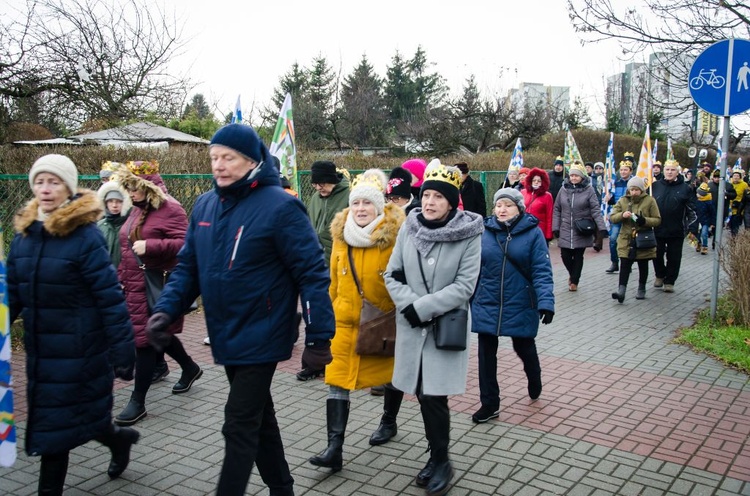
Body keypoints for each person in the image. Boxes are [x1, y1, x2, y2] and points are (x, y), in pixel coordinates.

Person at [146, 123, 334, 496]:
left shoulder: (281, 206)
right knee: (259, 419)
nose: (218, 164)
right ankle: (282, 488)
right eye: (214, 157)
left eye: (228, 157)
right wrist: (166, 310)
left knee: (238, 423)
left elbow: (312, 273)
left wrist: (318, 336)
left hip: (264, 330)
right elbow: (188, 268)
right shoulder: (205, 205)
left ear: (252, 161)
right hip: (225, 330)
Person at [7, 154, 138, 494]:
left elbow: (109, 298)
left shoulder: (85, 238)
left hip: (80, 353)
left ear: (68, 187)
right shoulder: (24, 237)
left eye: (54, 182)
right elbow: (13, 294)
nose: (45, 189)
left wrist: (124, 351)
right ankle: (119, 440)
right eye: (39, 181)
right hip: (42, 354)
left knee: (55, 434)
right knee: (82, 419)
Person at [384, 160, 483, 496]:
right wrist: (409, 305)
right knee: (422, 395)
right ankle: (435, 457)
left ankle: (442, 460)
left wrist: (421, 308)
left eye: (438, 197)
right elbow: (392, 274)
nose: (429, 202)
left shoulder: (469, 235)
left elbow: (464, 286)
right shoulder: (408, 228)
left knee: (434, 396)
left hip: (443, 326)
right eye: (426, 195)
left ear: (452, 201)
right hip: (412, 327)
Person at [309, 169, 406, 470]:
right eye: (356, 203)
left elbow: (405, 280)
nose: (361, 209)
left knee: (391, 376)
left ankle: (388, 421)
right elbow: (333, 284)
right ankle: (334, 449)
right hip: (344, 322)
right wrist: (326, 315)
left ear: (379, 206)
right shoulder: (342, 236)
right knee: (336, 381)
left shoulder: (395, 237)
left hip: (381, 322)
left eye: (367, 203)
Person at [113, 161, 203, 425]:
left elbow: (186, 244)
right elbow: (128, 248)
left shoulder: (170, 208)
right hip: (134, 285)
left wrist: (152, 245)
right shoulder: (135, 210)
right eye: (127, 187)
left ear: (148, 186)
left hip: (158, 286)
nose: (130, 193)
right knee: (155, 334)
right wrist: (120, 278)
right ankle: (190, 367)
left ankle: (137, 402)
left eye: (134, 188)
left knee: (145, 342)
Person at [471, 187, 554, 424]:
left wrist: (546, 301)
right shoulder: (483, 232)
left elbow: (542, 270)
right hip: (487, 301)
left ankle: (534, 377)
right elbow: (472, 267)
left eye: (507, 205)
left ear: (519, 207)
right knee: (486, 354)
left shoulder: (533, 233)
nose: (502, 209)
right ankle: (489, 403)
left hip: (520, 300)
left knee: (524, 346)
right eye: (498, 205)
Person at [299, 160, 349, 381]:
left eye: (322, 183)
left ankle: (339, 362)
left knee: (337, 317)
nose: (319, 187)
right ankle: (314, 363)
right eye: (315, 184)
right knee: (315, 316)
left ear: (332, 180)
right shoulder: (314, 199)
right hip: (316, 265)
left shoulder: (349, 196)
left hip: (341, 265)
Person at [552, 162, 608, 291]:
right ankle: (572, 275)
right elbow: (557, 209)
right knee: (565, 255)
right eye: (571, 176)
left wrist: (601, 227)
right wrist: (556, 227)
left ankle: (574, 281)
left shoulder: (589, 190)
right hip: (565, 227)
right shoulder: (563, 189)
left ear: (582, 177)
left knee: (578, 255)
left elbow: (595, 209)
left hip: (581, 228)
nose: (573, 178)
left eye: (576, 176)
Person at [609, 177, 662, 303]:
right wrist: (622, 215)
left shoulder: (650, 200)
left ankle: (641, 287)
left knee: (643, 263)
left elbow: (657, 219)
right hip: (626, 238)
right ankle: (621, 291)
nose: (633, 192)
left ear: (641, 189)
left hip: (643, 237)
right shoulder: (623, 201)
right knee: (625, 264)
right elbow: (612, 217)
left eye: (636, 189)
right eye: (631, 189)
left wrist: (644, 221)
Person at [651, 160, 697, 293]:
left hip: (676, 229)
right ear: (663, 171)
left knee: (674, 257)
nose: (669, 172)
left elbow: (692, 210)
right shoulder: (655, 186)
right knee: (656, 254)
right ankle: (660, 275)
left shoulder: (685, 188)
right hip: (657, 228)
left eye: (672, 170)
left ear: (677, 172)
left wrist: (692, 228)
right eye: (667, 170)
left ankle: (670, 281)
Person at [604, 160, 634, 273]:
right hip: (617, 215)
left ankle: (627, 263)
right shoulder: (615, 183)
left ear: (630, 171)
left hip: (630, 216)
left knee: (629, 242)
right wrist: (608, 199)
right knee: (613, 239)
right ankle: (614, 262)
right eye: (621, 170)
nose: (623, 172)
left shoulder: (634, 184)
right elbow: (614, 200)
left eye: (625, 170)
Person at [97, 179, 132, 268]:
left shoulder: (132, 226)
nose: (114, 205)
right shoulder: (99, 226)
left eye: (119, 201)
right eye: (110, 201)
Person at [521, 167, 554, 243]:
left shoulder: (547, 196)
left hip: (539, 230)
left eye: (539, 181)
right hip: (524, 228)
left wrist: (548, 235)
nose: (536, 182)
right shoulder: (523, 192)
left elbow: (549, 216)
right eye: (534, 180)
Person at [695, 179, 715, 255]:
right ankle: (698, 243)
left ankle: (705, 246)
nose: (697, 194)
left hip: (705, 221)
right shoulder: (697, 201)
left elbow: (713, 213)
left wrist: (713, 223)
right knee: (696, 234)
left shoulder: (709, 202)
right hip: (697, 220)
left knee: (704, 234)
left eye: (698, 193)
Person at [728, 169, 748, 236]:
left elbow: (746, 195)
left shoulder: (744, 185)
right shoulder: (729, 184)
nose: (736, 177)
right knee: (730, 224)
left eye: (737, 176)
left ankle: (734, 238)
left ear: (740, 177)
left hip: (739, 208)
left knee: (735, 224)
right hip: (729, 207)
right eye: (734, 176)